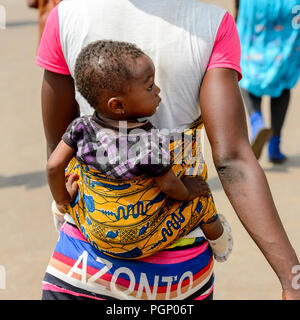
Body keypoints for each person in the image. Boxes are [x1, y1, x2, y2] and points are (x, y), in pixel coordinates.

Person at [37, 0, 299, 300]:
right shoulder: (212, 25)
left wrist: (61, 202)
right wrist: (291, 276)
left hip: (82, 267)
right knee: (200, 200)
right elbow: (233, 161)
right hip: (176, 279)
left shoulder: (65, 17)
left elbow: (56, 148)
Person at [46, 39, 232, 261]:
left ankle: (60, 210)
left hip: (95, 232)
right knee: (201, 199)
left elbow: (53, 166)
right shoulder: (149, 142)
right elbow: (169, 185)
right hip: (137, 243)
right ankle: (220, 245)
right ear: (117, 105)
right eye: (150, 87)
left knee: (74, 171)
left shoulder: (80, 127)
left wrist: (62, 198)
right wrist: (188, 189)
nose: (158, 90)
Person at [235, 0, 300, 162]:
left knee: (248, 68)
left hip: (256, 6)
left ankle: (257, 122)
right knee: (283, 73)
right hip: (289, 8)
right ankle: (275, 146)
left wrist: (238, 9)